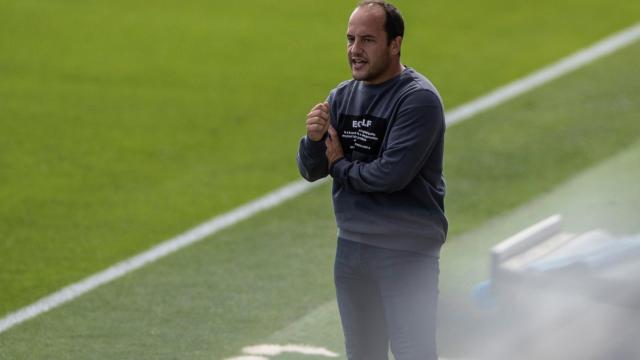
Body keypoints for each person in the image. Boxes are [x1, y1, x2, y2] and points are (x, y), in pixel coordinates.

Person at [296, 1, 447, 359]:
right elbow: (310, 169)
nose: (355, 50)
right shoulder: (342, 96)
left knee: (414, 353)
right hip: (352, 249)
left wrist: (340, 166)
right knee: (361, 354)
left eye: (367, 40)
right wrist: (313, 140)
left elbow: (390, 175)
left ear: (395, 44)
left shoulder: (418, 100)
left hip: (406, 252)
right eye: (350, 39)